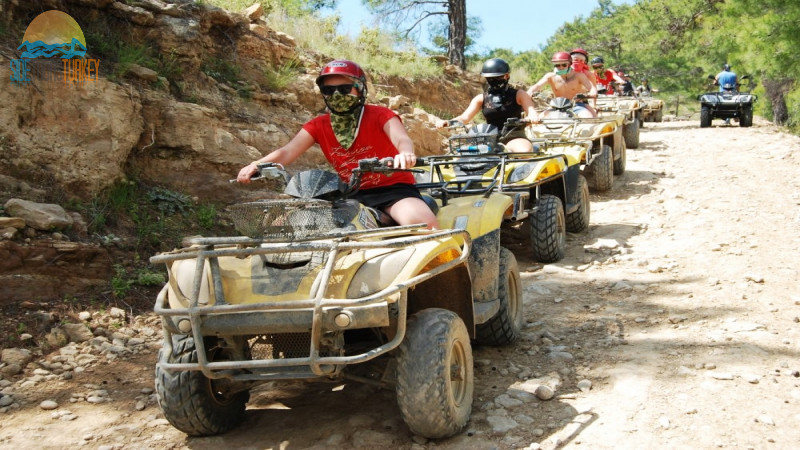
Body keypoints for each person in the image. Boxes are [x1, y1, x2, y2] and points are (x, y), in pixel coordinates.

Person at [237, 59, 438, 229]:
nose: (337, 95)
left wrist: (405, 153)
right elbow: (287, 151)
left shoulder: (380, 115)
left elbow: (402, 138)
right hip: (348, 194)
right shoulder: (318, 125)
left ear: (360, 89)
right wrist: (257, 164)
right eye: (329, 90)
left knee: (422, 224)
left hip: (393, 190)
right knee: (286, 227)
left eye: (344, 89)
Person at [436, 58, 540, 153]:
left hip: (514, 136)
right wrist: (448, 122)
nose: (494, 81)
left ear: (507, 76)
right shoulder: (481, 98)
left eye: (498, 77)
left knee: (524, 151)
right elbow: (464, 118)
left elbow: (531, 112)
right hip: (487, 138)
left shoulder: (519, 94)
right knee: (465, 155)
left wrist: (532, 117)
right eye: (490, 78)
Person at [527, 51, 597, 118]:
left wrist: (592, 93)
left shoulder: (579, 76)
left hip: (576, 105)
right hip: (556, 106)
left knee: (588, 117)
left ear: (569, 64)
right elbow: (537, 86)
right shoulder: (550, 76)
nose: (561, 67)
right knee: (539, 119)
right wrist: (529, 92)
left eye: (564, 64)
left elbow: (591, 88)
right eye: (557, 65)